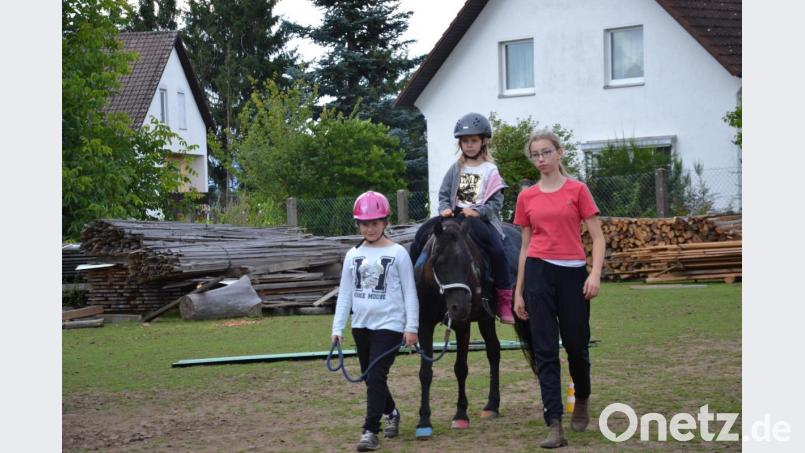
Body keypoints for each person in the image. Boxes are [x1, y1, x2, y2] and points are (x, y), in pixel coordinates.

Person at [512, 130, 605, 449]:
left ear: (559, 152)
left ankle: (582, 397)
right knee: (545, 351)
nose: (541, 159)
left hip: (572, 275)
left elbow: (598, 237)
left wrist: (594, 274)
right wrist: (518, 291)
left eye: (546, 152)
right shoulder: (527, 197)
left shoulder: (578, 190)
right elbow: (524, 246)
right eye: (536, 154)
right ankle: (554, 423)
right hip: (538, 273)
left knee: (577, 346)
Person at [331, 191, 420, 452]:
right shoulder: (352, 255)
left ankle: (370, 430)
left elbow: (409, 292)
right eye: (364, 223)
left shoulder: (399, 253)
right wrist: (337, 328)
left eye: (375, 223)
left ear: (385, 222)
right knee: (372, 379)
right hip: (361, 326)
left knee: (377, 374)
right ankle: (391, 412)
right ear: (358, 225)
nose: (369, 228)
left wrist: (411, 327)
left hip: (390, 325)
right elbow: (345, 294)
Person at [409, 112, 515, 324]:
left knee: (497, 249)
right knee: (420, 235)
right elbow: (443, 193)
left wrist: (478, 212)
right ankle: (414, 287)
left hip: (479, 220)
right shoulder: (456, 168)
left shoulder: (490, 170)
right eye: (465, 141)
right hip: (455, 216)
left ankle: (504, 300)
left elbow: (496, 203)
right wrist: (445, 208)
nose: (469, 145)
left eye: (473, 140)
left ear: (483, 141)